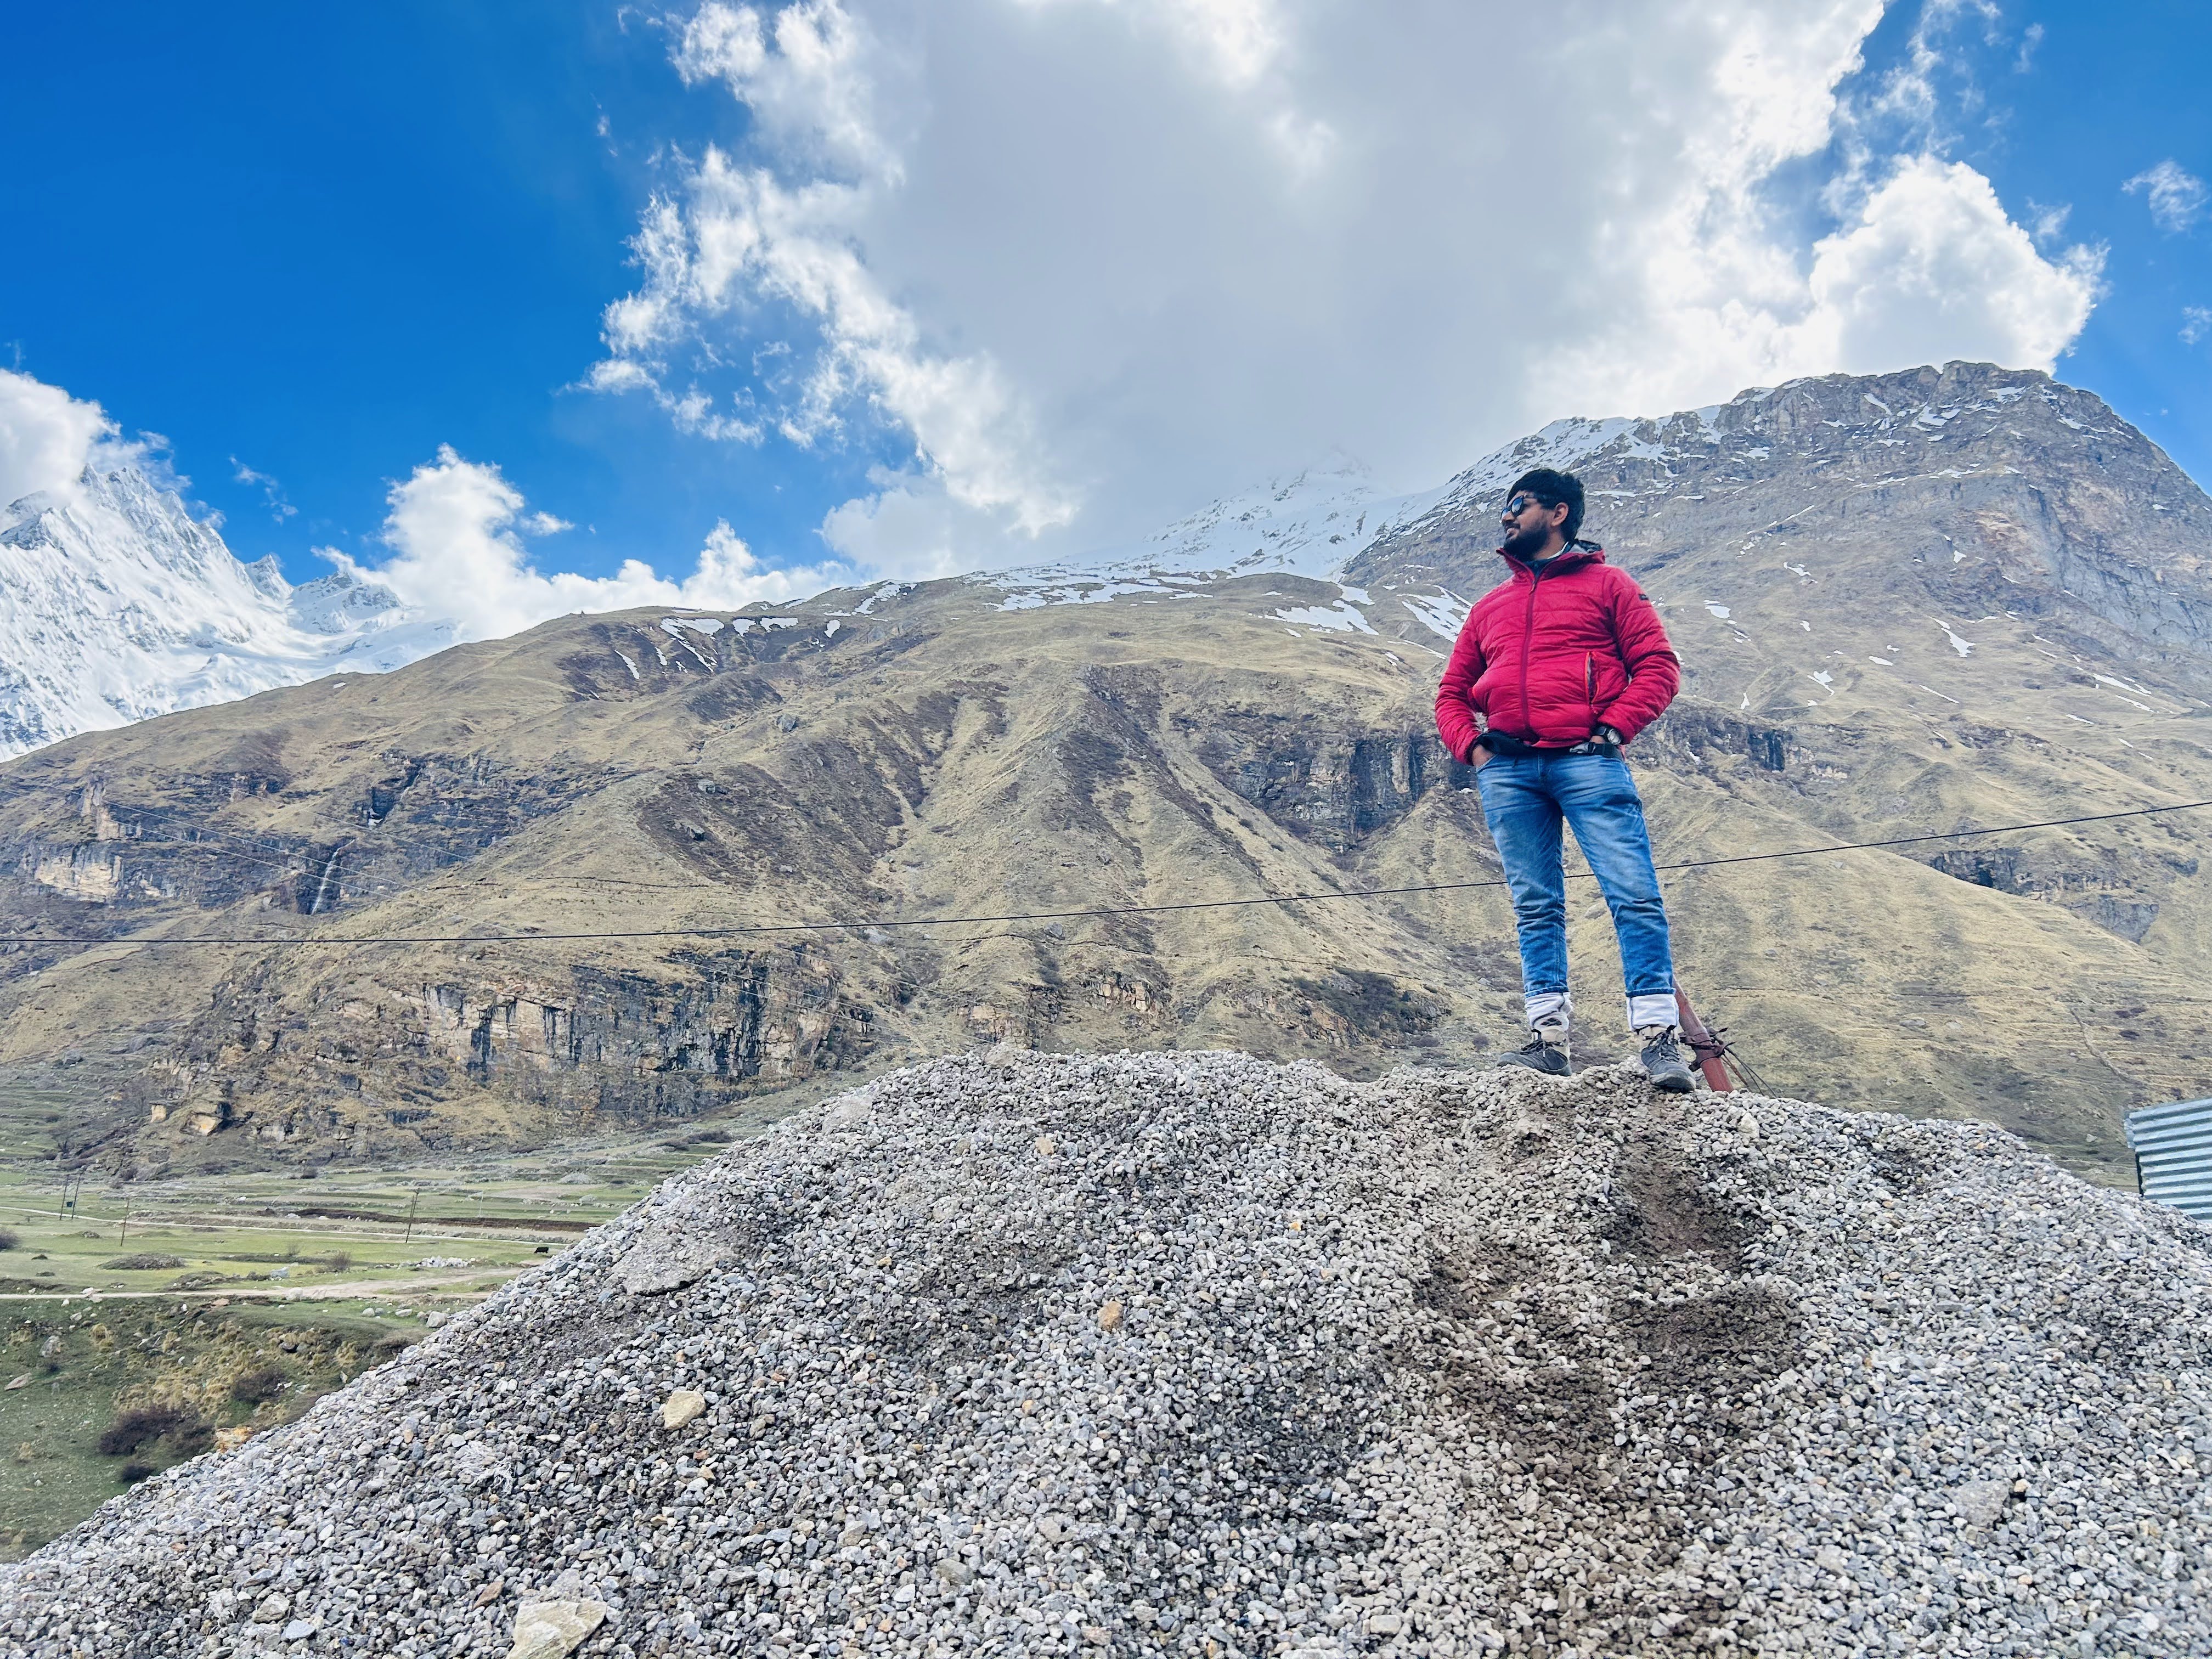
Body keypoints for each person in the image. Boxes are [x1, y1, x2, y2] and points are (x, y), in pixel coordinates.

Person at [1432, 467, 1694, 1091]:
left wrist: (1613, 730)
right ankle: (1549, 1042)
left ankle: (1659, 1042)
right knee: (1536, 906)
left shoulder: (1609, 585)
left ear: (1556, 513)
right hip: (1510, 772)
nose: (1506, 517)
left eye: (1517, 505)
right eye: (1505, 507)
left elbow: (1658, 666)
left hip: (1588, 761)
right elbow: (1450, 693)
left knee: (1632, 893)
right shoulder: (1489, 607)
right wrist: (1474, 751)